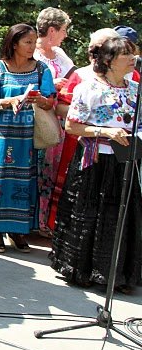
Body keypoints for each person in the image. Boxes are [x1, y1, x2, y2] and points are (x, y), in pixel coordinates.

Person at [50, 36, 141, 293]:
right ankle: (84, 269)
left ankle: (120, 272)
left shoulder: (136, 90)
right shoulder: (89, 87)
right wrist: (106, 132)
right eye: (126, 53)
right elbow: (72, 125)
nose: (133, 58)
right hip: (95, 159)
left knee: (119, 215)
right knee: (90, 213)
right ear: (109, 60)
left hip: (124, 160)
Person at [0, 24, 56, 252]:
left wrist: (39, 100)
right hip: (1, 135)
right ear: (14, 43)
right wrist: (8, 101)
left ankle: (18, 232)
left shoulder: (41, 70)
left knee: (25, 181)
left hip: (28, 136)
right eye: (27, 42)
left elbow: (50, 101)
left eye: (33, 42)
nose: (32, 47)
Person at [34, 8, 75, 237]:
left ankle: (44, 221)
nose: (65, 35)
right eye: (63, 30)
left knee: (51, 171)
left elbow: (73, 78)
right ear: (52, 30)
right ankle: (32, 221)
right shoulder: (33, 52)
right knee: (36, 169)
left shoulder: (60, 54)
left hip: (56, 119)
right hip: (38, 116)